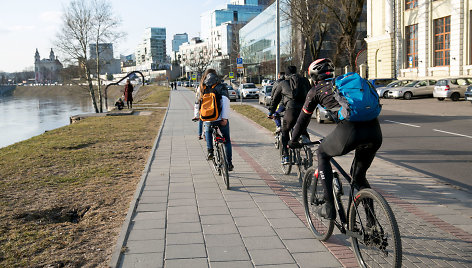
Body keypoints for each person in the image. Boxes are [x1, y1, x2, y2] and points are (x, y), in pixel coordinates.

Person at [289, 58, 383, 220]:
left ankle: (329, 207)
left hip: (351, 131)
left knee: (322, 153)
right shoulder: (345, 84)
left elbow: (302, 119)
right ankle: (372, 224)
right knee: (359, 177)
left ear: (313, 77)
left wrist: (293, 141)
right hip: (374, 131)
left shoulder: (316, 90)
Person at [268, 66, 311, 164]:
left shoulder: (283, 83)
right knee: (302, 127)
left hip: (291, 110)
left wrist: (271, 112)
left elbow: (275, 100)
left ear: (286, 74)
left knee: (285, 131)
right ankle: (305, 139)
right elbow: (312, 93)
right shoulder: (305, 81)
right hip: (304, 110)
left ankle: (286, 156)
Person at [195, 69, 233, 171]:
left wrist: (197, 115)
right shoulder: (221, 86)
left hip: (208, 118)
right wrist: (224, 117)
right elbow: (225, 102)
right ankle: (229, 163)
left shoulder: (202, 87)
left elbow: (197, 103)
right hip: (220, 118)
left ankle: (210, 151)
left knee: (207, 130)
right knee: (227, 140)